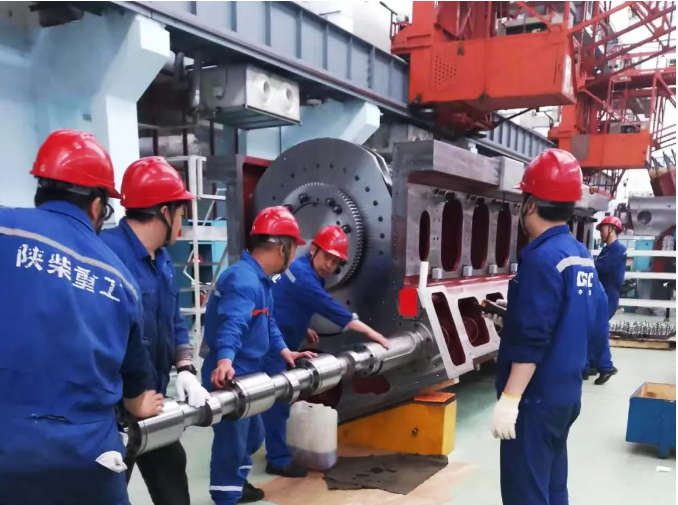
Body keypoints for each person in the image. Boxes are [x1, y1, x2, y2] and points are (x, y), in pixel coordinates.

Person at [0, 130, 163, 505]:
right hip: (86, 456)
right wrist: (141, 401)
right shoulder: (120, 278)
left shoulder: (5, 228)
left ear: (40, 188)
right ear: (97, 205)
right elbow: (136, 396)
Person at [490, 149, 606, 505]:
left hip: (535, 400)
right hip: (566, 395)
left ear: (529, 204)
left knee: (526, 493)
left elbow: (533, 339)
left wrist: (511, 400)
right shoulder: (580, 255)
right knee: (553, 488)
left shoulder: (541, 259)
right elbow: (594, 315)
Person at [101, 157, 211, 505]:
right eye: (182, 212)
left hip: (155, 399)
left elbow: (174, 319)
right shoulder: (107, 255)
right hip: (113, 412)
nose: (184, 221)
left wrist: (186, 368)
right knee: (108, 490)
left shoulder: (161, 258)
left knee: (172, 477)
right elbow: (99, 337)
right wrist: (129, 398)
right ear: (165, 211)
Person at [202, 206, 317, 505]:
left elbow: (268, 321)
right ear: (282, 247)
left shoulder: (261, 281)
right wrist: (225, 360)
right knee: (233, 438)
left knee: (253, 435)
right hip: (231, 373)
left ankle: (237, 483)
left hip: (251, 372)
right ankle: (226, 495)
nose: (294, 255)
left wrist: (284, 350)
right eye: (294, 248)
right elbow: (233, 323)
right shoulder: (243, 280)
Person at [261, 225, 391, 478]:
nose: (329, 265)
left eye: (335, 261)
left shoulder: (303, 269)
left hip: (282, 338)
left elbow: (289, 300)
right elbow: (329, 306)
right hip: (272, 344)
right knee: (278, 399)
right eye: (327, 257)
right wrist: (372, 333)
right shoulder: (304, 276)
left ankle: (274, 449)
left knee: (277, 397)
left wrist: (304, 326)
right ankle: (277, 460)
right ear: (313, 249)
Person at [586, 215, 625, 384]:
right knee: (592, 329)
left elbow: (601, 267)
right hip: (601, 293)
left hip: (609, 294)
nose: (601, 233)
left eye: (602, 229)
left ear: (612, 229)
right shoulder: (607, 249)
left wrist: (584, 261)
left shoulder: (618, 250)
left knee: (598, 330)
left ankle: (606, 366)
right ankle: (592, 363)